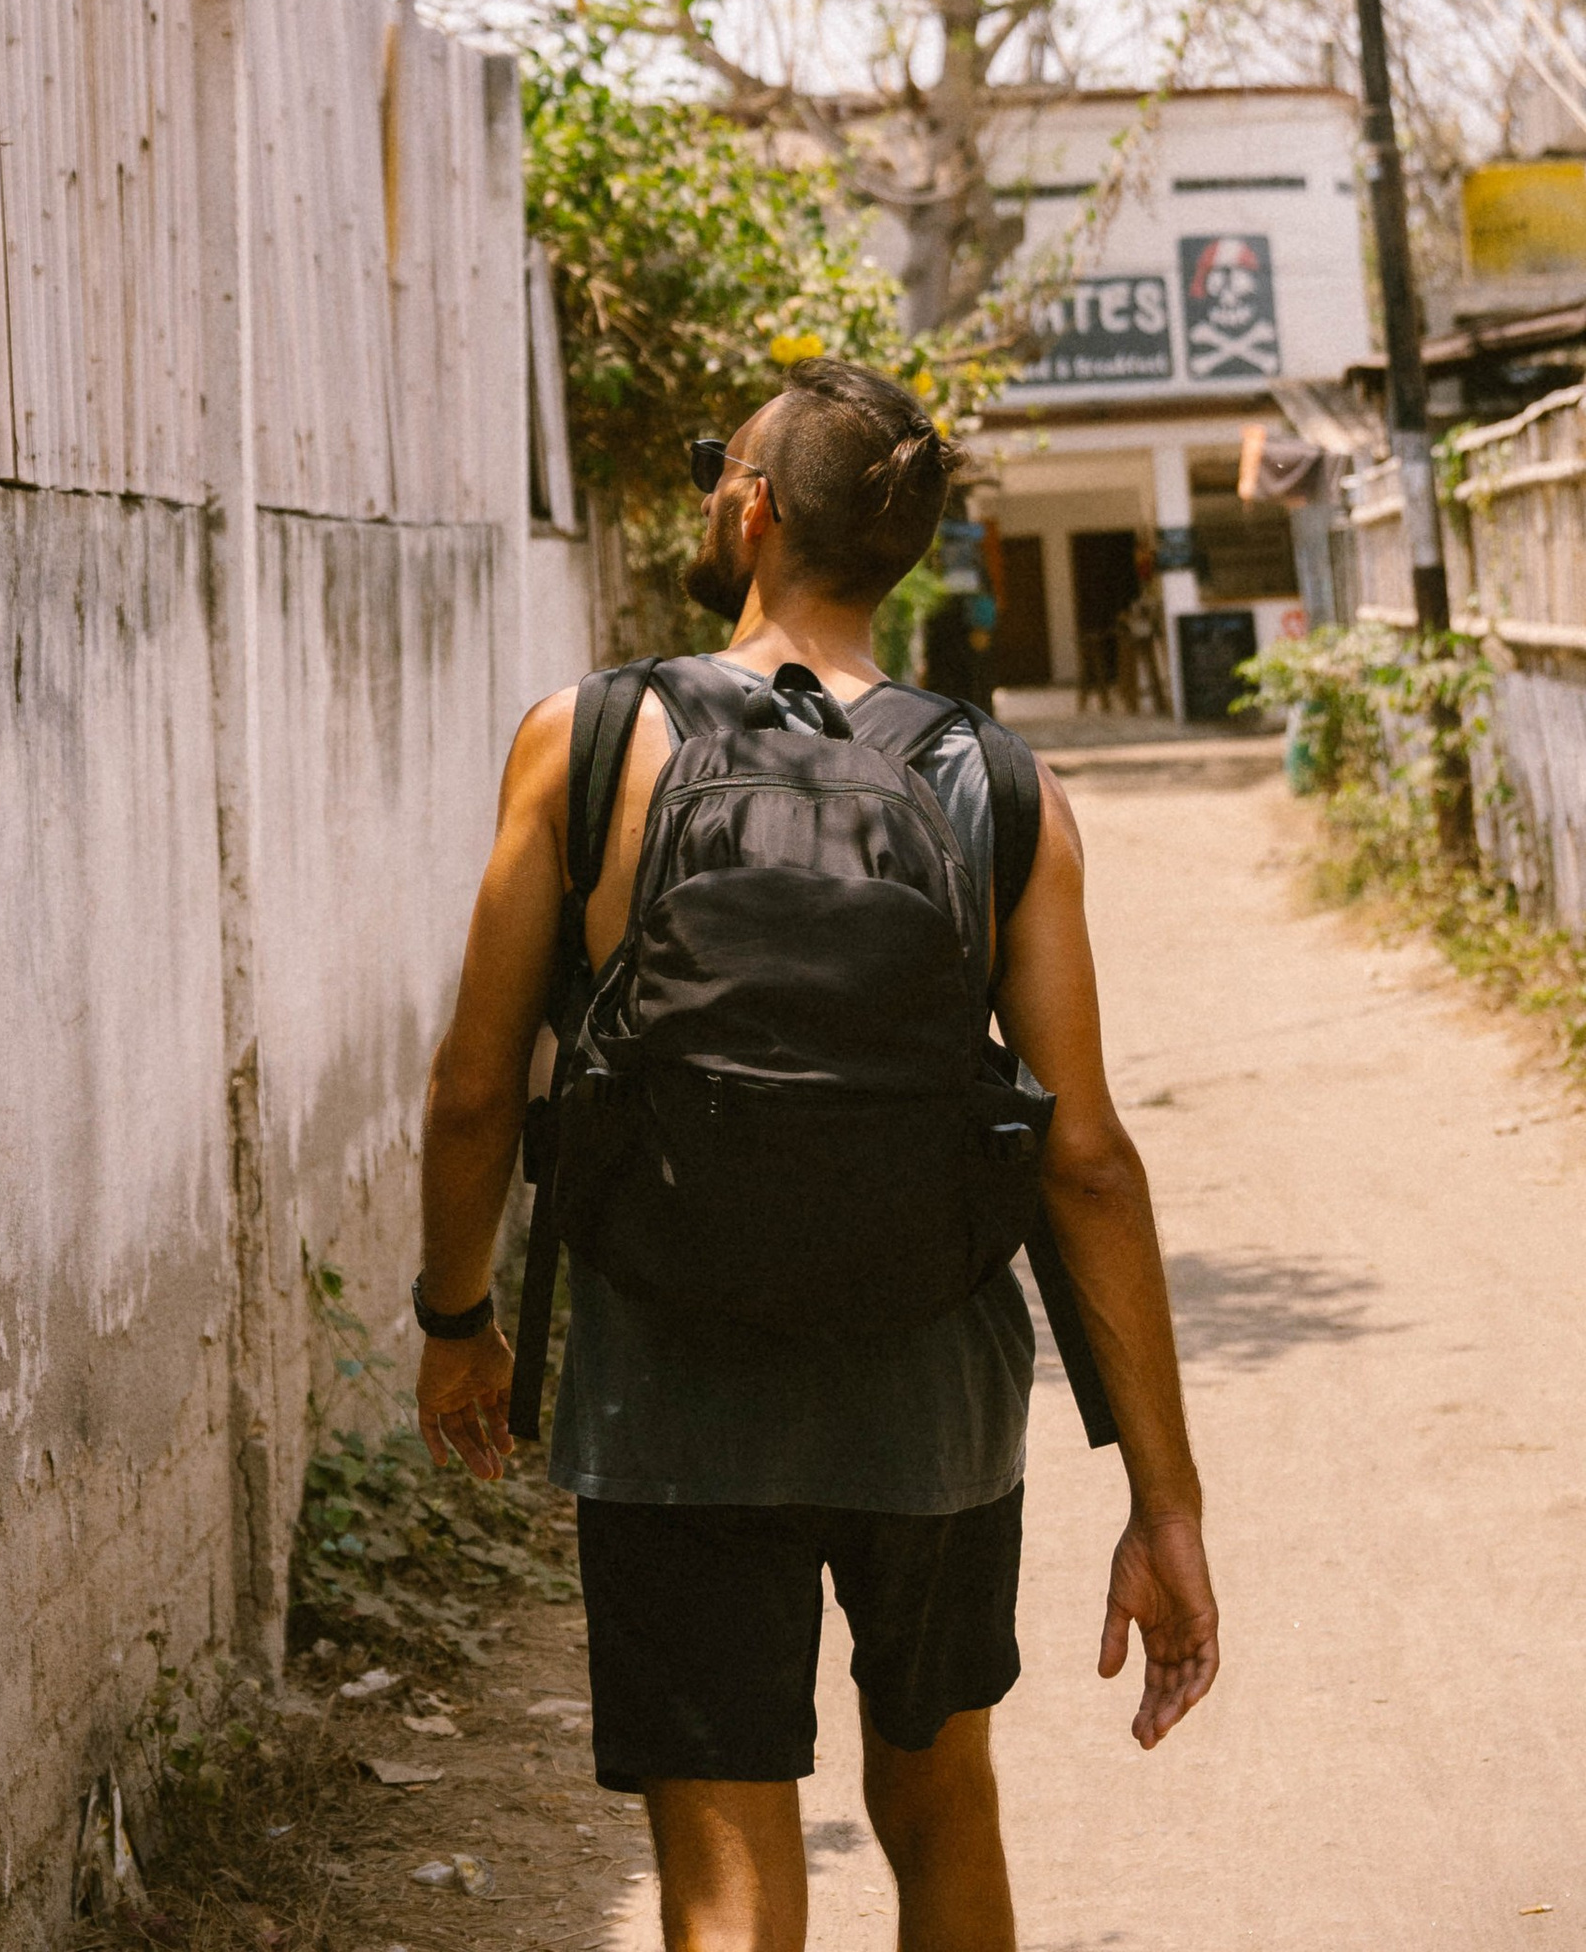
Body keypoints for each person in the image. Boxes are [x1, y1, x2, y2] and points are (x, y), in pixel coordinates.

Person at [409, 357, 1216, 1952]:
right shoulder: (1001, 789)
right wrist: (1167, 1500)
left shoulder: (587, 744)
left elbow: (474, 1090)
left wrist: (459, 1326)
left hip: (668, 1392)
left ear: (758, 510)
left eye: (728, 471)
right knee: (940, 1816)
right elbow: (1090, 1161)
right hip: (932, 1393)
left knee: (723, 1882)